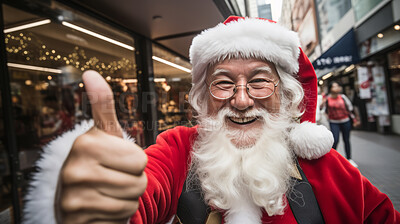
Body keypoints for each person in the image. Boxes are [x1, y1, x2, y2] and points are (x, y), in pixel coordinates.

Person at [23, 16, 399, 224]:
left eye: (258, 81)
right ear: (203, 97)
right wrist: (95, 203)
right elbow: (141, 196)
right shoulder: (178, 149)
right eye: (222, 83)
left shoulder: (328, 167)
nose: (240, 99)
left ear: (285, 94)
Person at [324, 81, 359, 167]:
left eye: (337, 86)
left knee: (346, 140)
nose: (336, 88)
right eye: (333, 86)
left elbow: (350, 108)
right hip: (334, 122)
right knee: (335, 140)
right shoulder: (327, 99)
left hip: (345, 121)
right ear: (330, 89)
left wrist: (356, 119)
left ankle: (349, 159)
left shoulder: (343, 97)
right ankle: (332, 159)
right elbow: (324, 110)